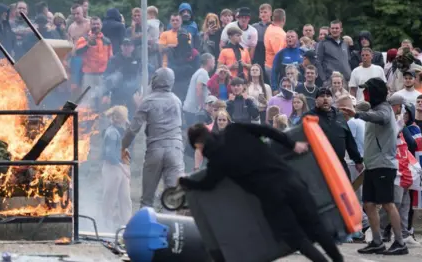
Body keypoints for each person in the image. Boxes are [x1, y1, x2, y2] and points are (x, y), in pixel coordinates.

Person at [179, 123, 344, 262]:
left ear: (198, 145)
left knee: (296, 238)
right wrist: (292, 144)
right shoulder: (234, 129)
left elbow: (208, 184)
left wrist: (184, 181)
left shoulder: (217, 160)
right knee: (316, 226)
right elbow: (267, 130)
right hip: (291, 181)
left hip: (271, 196)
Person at [340, 77, 409, 255]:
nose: (365, 93)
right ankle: (377, 241)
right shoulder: (375, 109)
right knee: (369, 204)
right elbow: (371, 113)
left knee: (387, 203)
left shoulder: (384, 110)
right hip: (372, 165)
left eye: (367, 90)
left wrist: (356, 114)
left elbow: (379, 117)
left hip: (384, 165)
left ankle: (400, 243)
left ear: (375, 92)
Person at [121, 68, 185, 210]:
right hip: (175, 149)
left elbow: (133, 129)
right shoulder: (177, 101)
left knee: (147, 199)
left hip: (155, 150)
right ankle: (172, 230)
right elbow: (181, 125)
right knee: (173, 198)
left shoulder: (147, 101)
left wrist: (123, 146)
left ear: (155, 81)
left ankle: (145, 227)